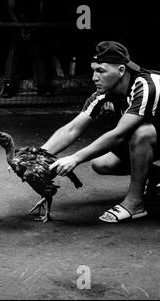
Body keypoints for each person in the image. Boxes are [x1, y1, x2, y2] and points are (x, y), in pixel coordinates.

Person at [44, 41, 160, 223]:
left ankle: (135, 203)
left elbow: (119, 134)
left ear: (121, 70)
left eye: (101, 71)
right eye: (93, 70)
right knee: (102, 163)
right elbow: (72, 128)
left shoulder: (146, 85)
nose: (94, 77)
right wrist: (37, 156)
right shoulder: (104, 93)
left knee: (142, 133)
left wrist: (75, 158)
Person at [1, 0, 53, 98]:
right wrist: (21, 28)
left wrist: (33, 28)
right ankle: (8, 86)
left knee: (38, 54)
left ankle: (42, 85)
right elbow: (10, 8)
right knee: (12, 54)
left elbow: (41, 11)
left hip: (33, 26)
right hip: (17, 27)